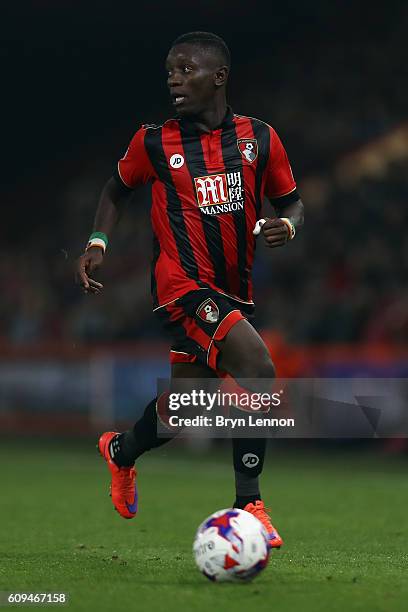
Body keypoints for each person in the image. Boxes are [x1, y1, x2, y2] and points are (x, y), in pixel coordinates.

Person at [76, 31, 304, 548]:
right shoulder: (154, 142)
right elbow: (116, 188)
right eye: (169, 71)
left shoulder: (260, 138)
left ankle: (120, 452)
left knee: (185, 406)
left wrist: (288, 227)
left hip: (233, 288)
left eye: (185, 69)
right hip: (180, 287)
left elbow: (291, 203)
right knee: (258, 369)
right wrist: (97, 241)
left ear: (218, 76)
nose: (174, 79)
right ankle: (250, 504)